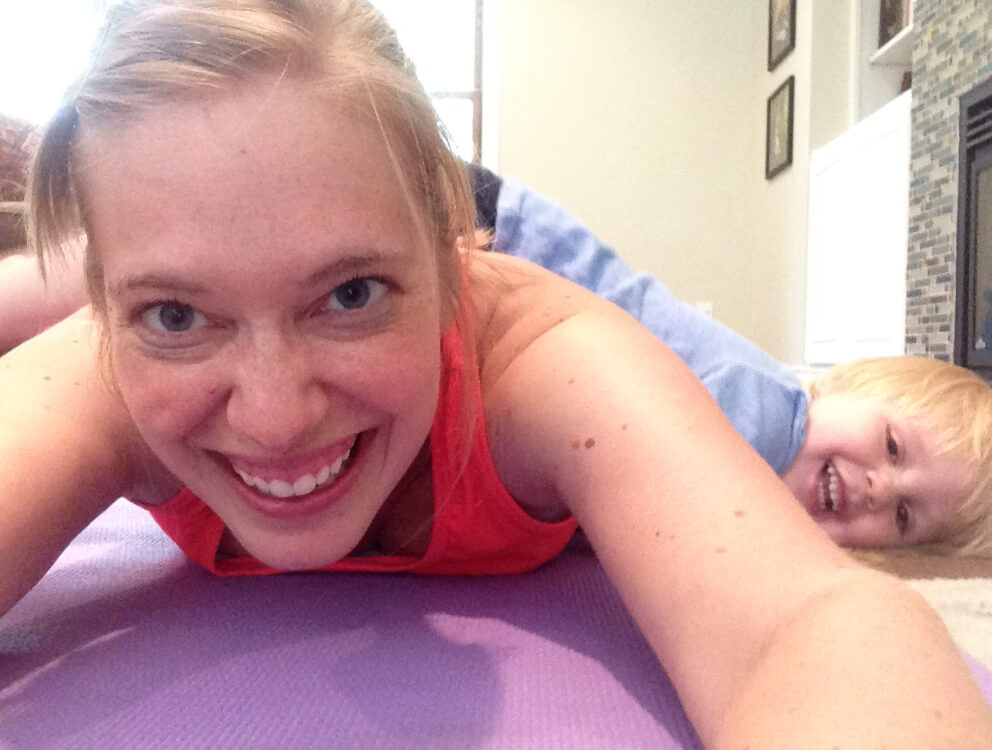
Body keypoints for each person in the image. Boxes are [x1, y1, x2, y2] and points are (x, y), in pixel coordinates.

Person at [1, 2, 991, 744]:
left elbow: (805, 622)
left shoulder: (542, 362)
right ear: (110, 302)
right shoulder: (102, 372)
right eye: (177, 314)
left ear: (445, 246)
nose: (270, 417)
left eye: (350, 294)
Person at [4, 147, 992, 557]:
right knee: (110, 283)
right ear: (842, 381)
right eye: (894, 447)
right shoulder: (767, 411)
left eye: (904, 516)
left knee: (144, 277)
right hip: (478, 226)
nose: (870, 486)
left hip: (466, 238)